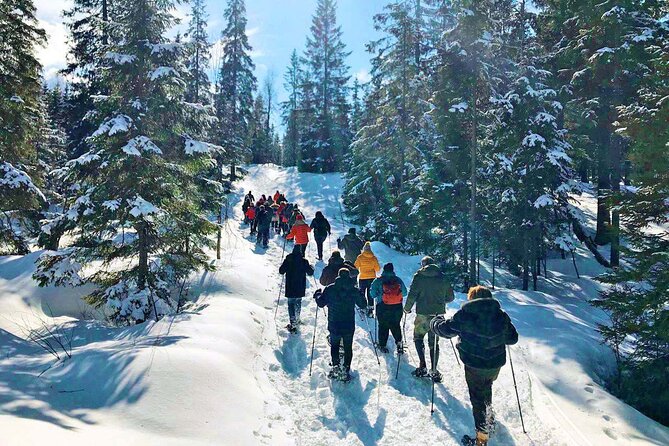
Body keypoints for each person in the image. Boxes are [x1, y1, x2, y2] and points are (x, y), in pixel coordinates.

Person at [431, 286, 519, 446]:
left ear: (472, 298)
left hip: (474, 365)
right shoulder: (501, 315)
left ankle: (481, 439)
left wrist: (435, 322)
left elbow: (446, 330)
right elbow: (513, 339)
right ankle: (489, 420)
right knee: (487, 387)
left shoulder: (466, 315)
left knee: (477, 398)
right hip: (495, 364)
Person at [403, 256, 454, 382]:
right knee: (434, 343)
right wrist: (441, 301)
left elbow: (412, 294)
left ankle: (422, 365)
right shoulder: (443, 277)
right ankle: (434, 370)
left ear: (423, 265)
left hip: (422, 314)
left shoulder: (419, 276)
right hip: (438, 316)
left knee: (418, 337)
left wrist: (407, 308)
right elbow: (451, 297)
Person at [315, 268, 367, 381]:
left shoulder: (330, 289)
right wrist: (362, 295)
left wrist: (318, 295)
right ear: (349, 276)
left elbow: (321, 303)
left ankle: (336, 367)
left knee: (335, 346)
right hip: (348, 324)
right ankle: (345, 370)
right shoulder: (354, 290)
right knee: (348, 347)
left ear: (338, 276)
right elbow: (363, 305)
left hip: (334, 323)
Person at [370, 263, 407, 353]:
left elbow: (372, 294)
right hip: (397, 307)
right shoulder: (398, 280)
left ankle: (382, 345)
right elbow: (405, 293)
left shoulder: (378, 280)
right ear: (392, 270)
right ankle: (399, 343)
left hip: (383, 306)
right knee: (396, 325)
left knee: (383, 326)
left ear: (384, 270)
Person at [279, 245, 315, 333]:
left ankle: (293, 323)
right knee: (298, 302)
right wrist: (312, 267)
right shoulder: (304, 261)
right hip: (300, 286)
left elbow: (281, 271)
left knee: (291, 304)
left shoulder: (288, 259)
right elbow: (310, 272)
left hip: (290, 286)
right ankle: (297, 319)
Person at [354, 242, 381, 318]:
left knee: (362, 293)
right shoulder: (374, 258)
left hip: (362, 278)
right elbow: (377, 269)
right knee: (370, 294)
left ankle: (363, 307)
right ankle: (371, 310)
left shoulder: (360, 257)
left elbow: (355, 267)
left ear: (364, 249)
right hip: (372, 278)